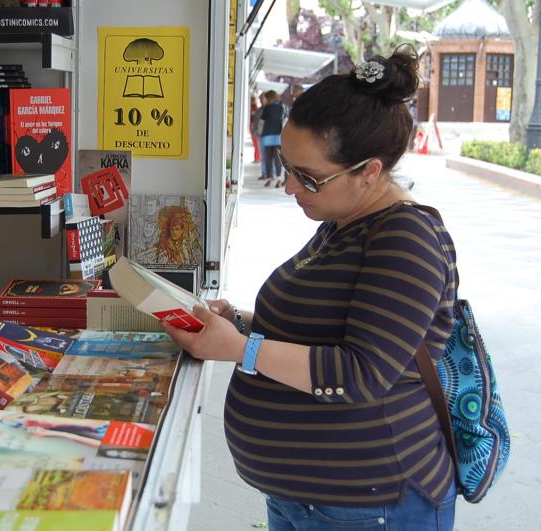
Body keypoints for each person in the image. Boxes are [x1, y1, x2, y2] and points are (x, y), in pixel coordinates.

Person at [164, 46, 459, 530]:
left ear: (370, 172)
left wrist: (242, 349)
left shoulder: (407, 240)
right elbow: (321, 331)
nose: (289, 187)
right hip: (309, 500)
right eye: (288, 166)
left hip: (372, 503)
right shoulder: (344, 220)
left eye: (309, 177)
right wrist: (237, 321)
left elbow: (362, 372)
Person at [258, 90, 286, 187]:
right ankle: (278, 179)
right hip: (278, 135)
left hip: (267, 135)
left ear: (268, 98)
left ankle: (269, 179)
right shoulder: (281, 108)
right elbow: (283, 120)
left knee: (268, 158)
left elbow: (261, 122)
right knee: (278, 158)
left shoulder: (267, 108)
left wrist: (260, 132)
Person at [249, 95, 262, 162]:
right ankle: (257, 157)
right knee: (256, 143)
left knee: (256, 143)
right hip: (253, 127)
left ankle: (257, 158)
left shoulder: (254, 108)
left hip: (254, 127)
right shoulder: (255, 108)